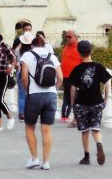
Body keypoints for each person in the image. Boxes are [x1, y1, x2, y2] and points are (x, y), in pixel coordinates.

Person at [19, 30, 60, 169]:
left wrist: (27, 90)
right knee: (46, 129)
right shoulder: (52, 56)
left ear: (31, 44)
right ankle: (46, 162)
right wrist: (55, 89)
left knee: (30, 126)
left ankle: (35, 158)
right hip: (51, 94)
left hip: (34, 95)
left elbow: (24, 77)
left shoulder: (27, 55)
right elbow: (60, 77)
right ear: (43, 44)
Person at [67, 39, 112, 166]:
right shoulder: (98, 67)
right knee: (96, 128)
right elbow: (107, 84)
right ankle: (99, 144)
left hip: (81, 104)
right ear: (91, 51)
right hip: (97, 102)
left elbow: (73, 89)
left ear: (79, 53)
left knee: (85, 130)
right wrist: (106, 99)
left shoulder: (77, 69)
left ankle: (86, 157)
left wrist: (72, 104)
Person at [59, 30, 82, 122]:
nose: (67, 38)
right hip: (65, 76)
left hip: (75, 77)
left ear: (76, 37)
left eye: (69, 37)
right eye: (66, 37)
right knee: (67, 96)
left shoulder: (79, 47)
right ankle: (64, 116)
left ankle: (76, 117)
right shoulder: (66, 47)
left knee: (76, 97)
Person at [13, 21, 32, 120]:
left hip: (29, 70)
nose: (27, 31)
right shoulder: (18, 41)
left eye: (29, 29)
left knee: (29, 92)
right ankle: (22, 113)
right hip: (22, 69)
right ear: (22, 30)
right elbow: (14, 53)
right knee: (22, 92)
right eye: (26, 29)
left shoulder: (33, 41)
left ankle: (27, 112)